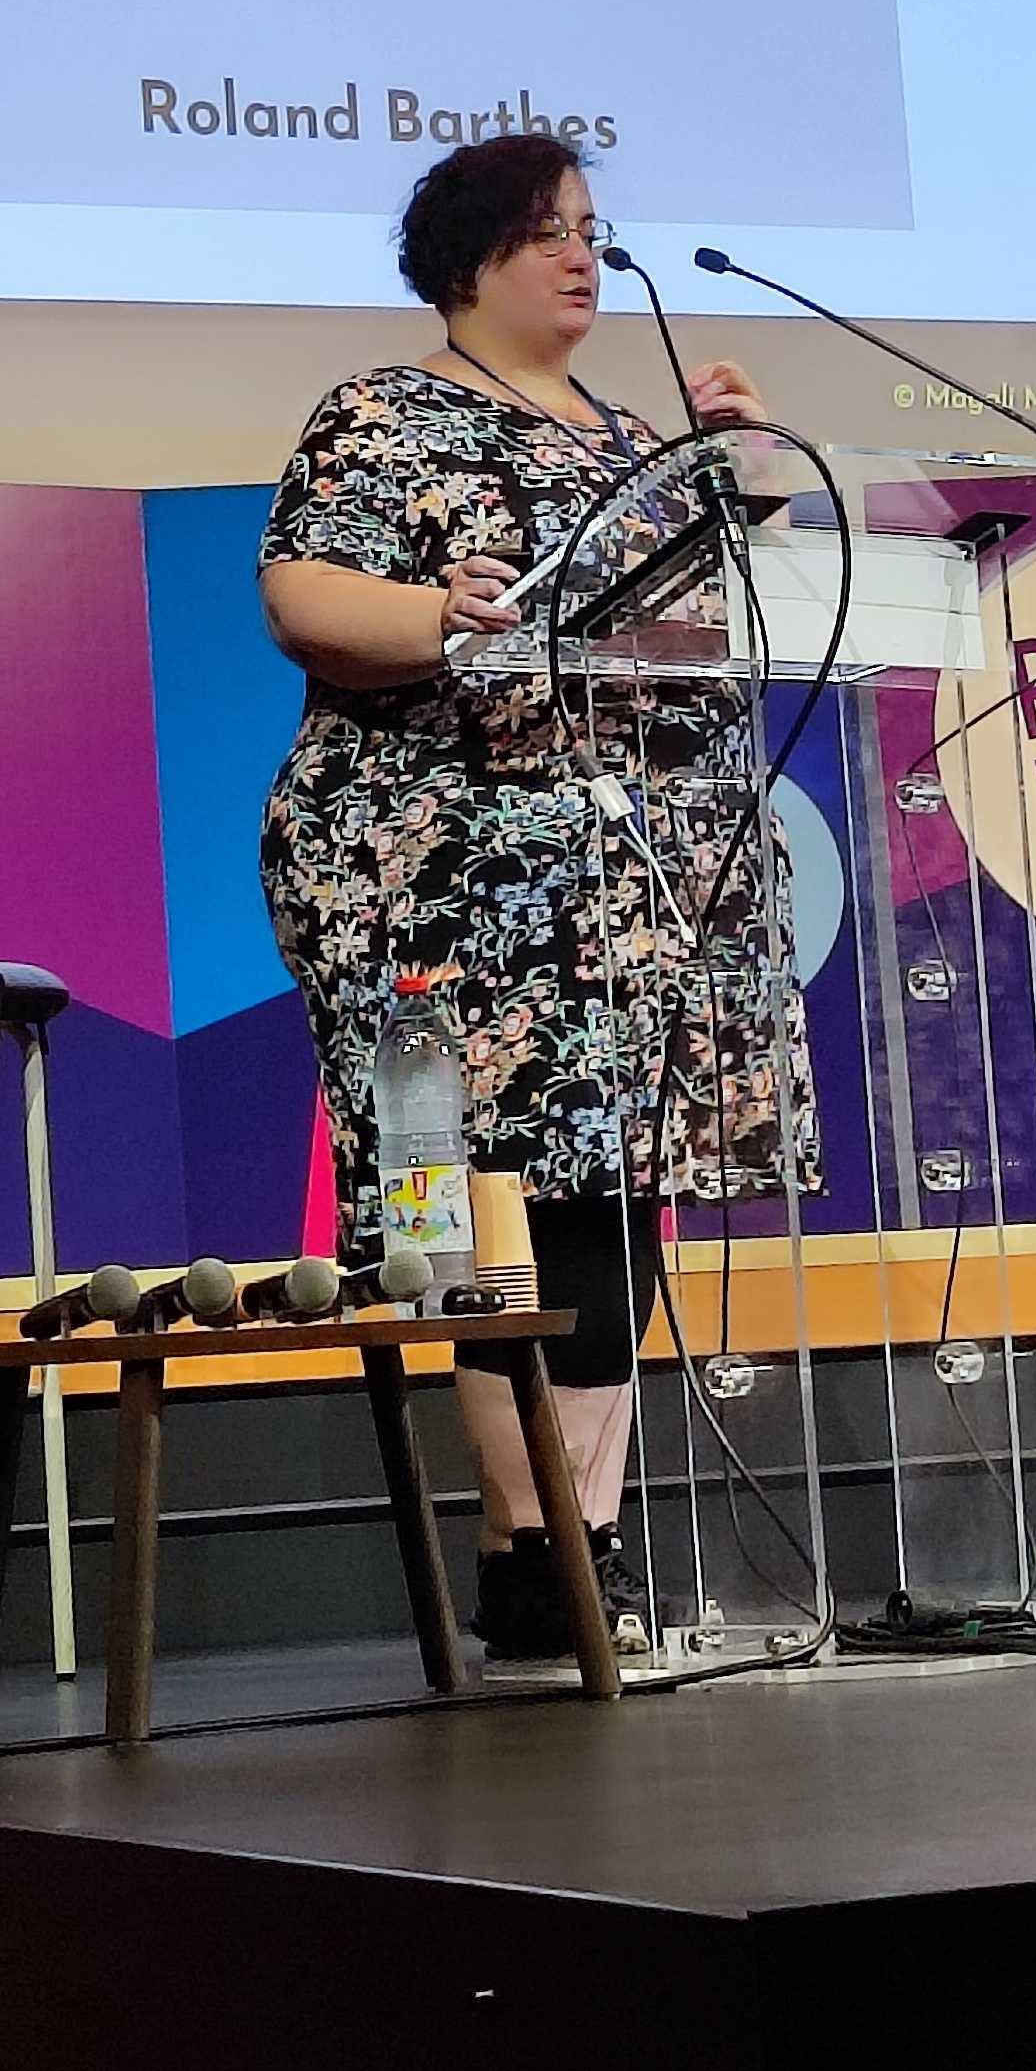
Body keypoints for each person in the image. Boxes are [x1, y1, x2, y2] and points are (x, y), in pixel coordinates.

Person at [255, 133, 807, 1662]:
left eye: (590, 228)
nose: (582, 254)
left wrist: (735, 485)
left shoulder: (633, 440)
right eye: (542, 232)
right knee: (488, 1211)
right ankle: (547, 1547)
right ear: (463, 260)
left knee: (616, 1199)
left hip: (625, 889)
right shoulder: (384, 413)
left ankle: (571, 1553)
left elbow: (690, 628)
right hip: (431, 871)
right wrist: (452, 618)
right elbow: (305, 596)